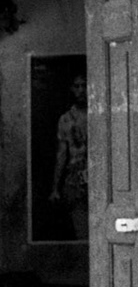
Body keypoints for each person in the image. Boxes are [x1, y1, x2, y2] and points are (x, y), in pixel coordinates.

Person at [49, 73, 87, 240]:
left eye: (84, 86)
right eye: (77, 86)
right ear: (72, 89)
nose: (81, 90)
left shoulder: (100, 114)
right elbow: (61, 154)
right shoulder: (65, 119)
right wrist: (55, 188)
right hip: (75, 179)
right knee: (81, 229)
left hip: (99, 176)